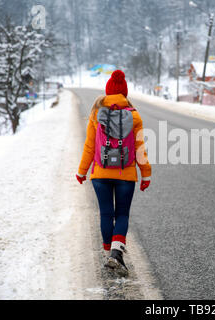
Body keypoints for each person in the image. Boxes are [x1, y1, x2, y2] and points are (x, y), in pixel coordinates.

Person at [75, 70, 151, 276]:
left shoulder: (96, 113)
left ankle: (111, 254)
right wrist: (146, 174)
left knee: (106, 213)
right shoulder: (134, 115)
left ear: (107, 92)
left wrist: (82, 171)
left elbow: (90, 146)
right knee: (122, 214)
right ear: (125, 94)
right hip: (125, 175)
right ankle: (116, 255)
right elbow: (140, 149)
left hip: (100, 174)